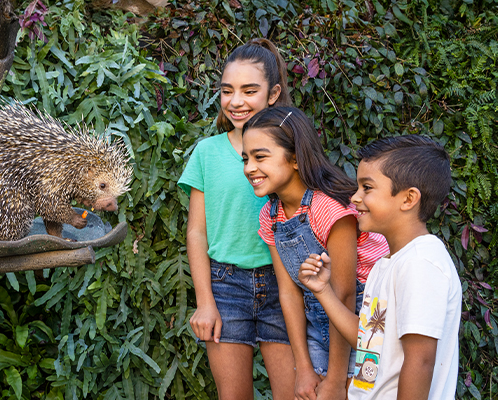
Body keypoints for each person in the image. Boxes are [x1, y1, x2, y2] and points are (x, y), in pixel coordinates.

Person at [241, 106, 389, 400]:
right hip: (316, 321)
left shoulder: (329, 209)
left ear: (295, 158)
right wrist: (304, 367)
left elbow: (344, 293)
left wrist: (335, 380)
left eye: (260, 157)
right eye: (245, 159)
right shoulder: (270, 216)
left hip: (358, 322)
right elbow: (289, 292)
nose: (249, 168)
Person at [298, 135, 461, 399]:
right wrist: (323, 291)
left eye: (367, 188)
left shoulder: (421, 263)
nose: (354, 197)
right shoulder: (388, 263)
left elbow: (420, 361)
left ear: (408, 199)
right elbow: (368, 342)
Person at [177, 39, 295, 399]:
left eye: (249, 90)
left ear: (273, 93)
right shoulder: (208, 152)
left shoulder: (292, 147)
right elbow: (197, 233)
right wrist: (205, 301)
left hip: (285, 284)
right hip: (226, 287)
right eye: (227, 91)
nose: (236, 101)